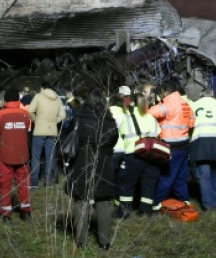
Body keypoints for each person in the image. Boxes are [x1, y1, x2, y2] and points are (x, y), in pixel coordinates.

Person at [65, 89, 119, 250]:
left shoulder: (79, 119)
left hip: (83, 161)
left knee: (81, 201)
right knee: (104, 202)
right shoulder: (110, 121)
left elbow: (70, 136)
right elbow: (114, 140)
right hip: (104, 162)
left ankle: (81, 241)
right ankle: (105, 242)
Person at [145, 78, 195, 208]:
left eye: (161, 92)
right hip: (184, 145)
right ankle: (184, 200)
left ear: (166, 92)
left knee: (167, 176)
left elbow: (148, 113)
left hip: (171, 147)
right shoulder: (185, 104)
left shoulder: (168, 105)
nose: (161, 95)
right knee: (181, 176)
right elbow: (192, 121)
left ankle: (156, 203)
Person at [115, 84, 162, 217]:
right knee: (148, 184)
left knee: (127, 185)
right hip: (151, 155)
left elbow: (122, 134)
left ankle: (124, 212)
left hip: (133, 154)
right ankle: (146, 211)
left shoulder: (128, 118)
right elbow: (158, 133)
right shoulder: (151, 118)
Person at [189, 84, 216, 211]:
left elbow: (189, 125)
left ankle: (208, 205)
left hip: (200, 143)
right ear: (212, 95)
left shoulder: (194, 105)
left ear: (201, 94)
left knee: (204, 175)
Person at [0, 87, 33, 221]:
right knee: (23, 184)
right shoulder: (25, 114)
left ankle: (6, 214)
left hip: (5, 155)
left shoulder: (0, 114)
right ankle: (26, 211)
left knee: (4, 184)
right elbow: (27, 131)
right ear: (18, 99)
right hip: (22, 154)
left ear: (6, 99)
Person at [28, 80, 66, 188]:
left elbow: (30, 111)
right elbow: (63, 116)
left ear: (42, 87)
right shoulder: (58, 98)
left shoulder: (38, 96)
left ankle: (34, 183)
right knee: (50, 157)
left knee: (36, 157)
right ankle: (48, 181)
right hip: (52, 130)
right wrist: (54, 121)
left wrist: (37, 120)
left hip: (39, 130)